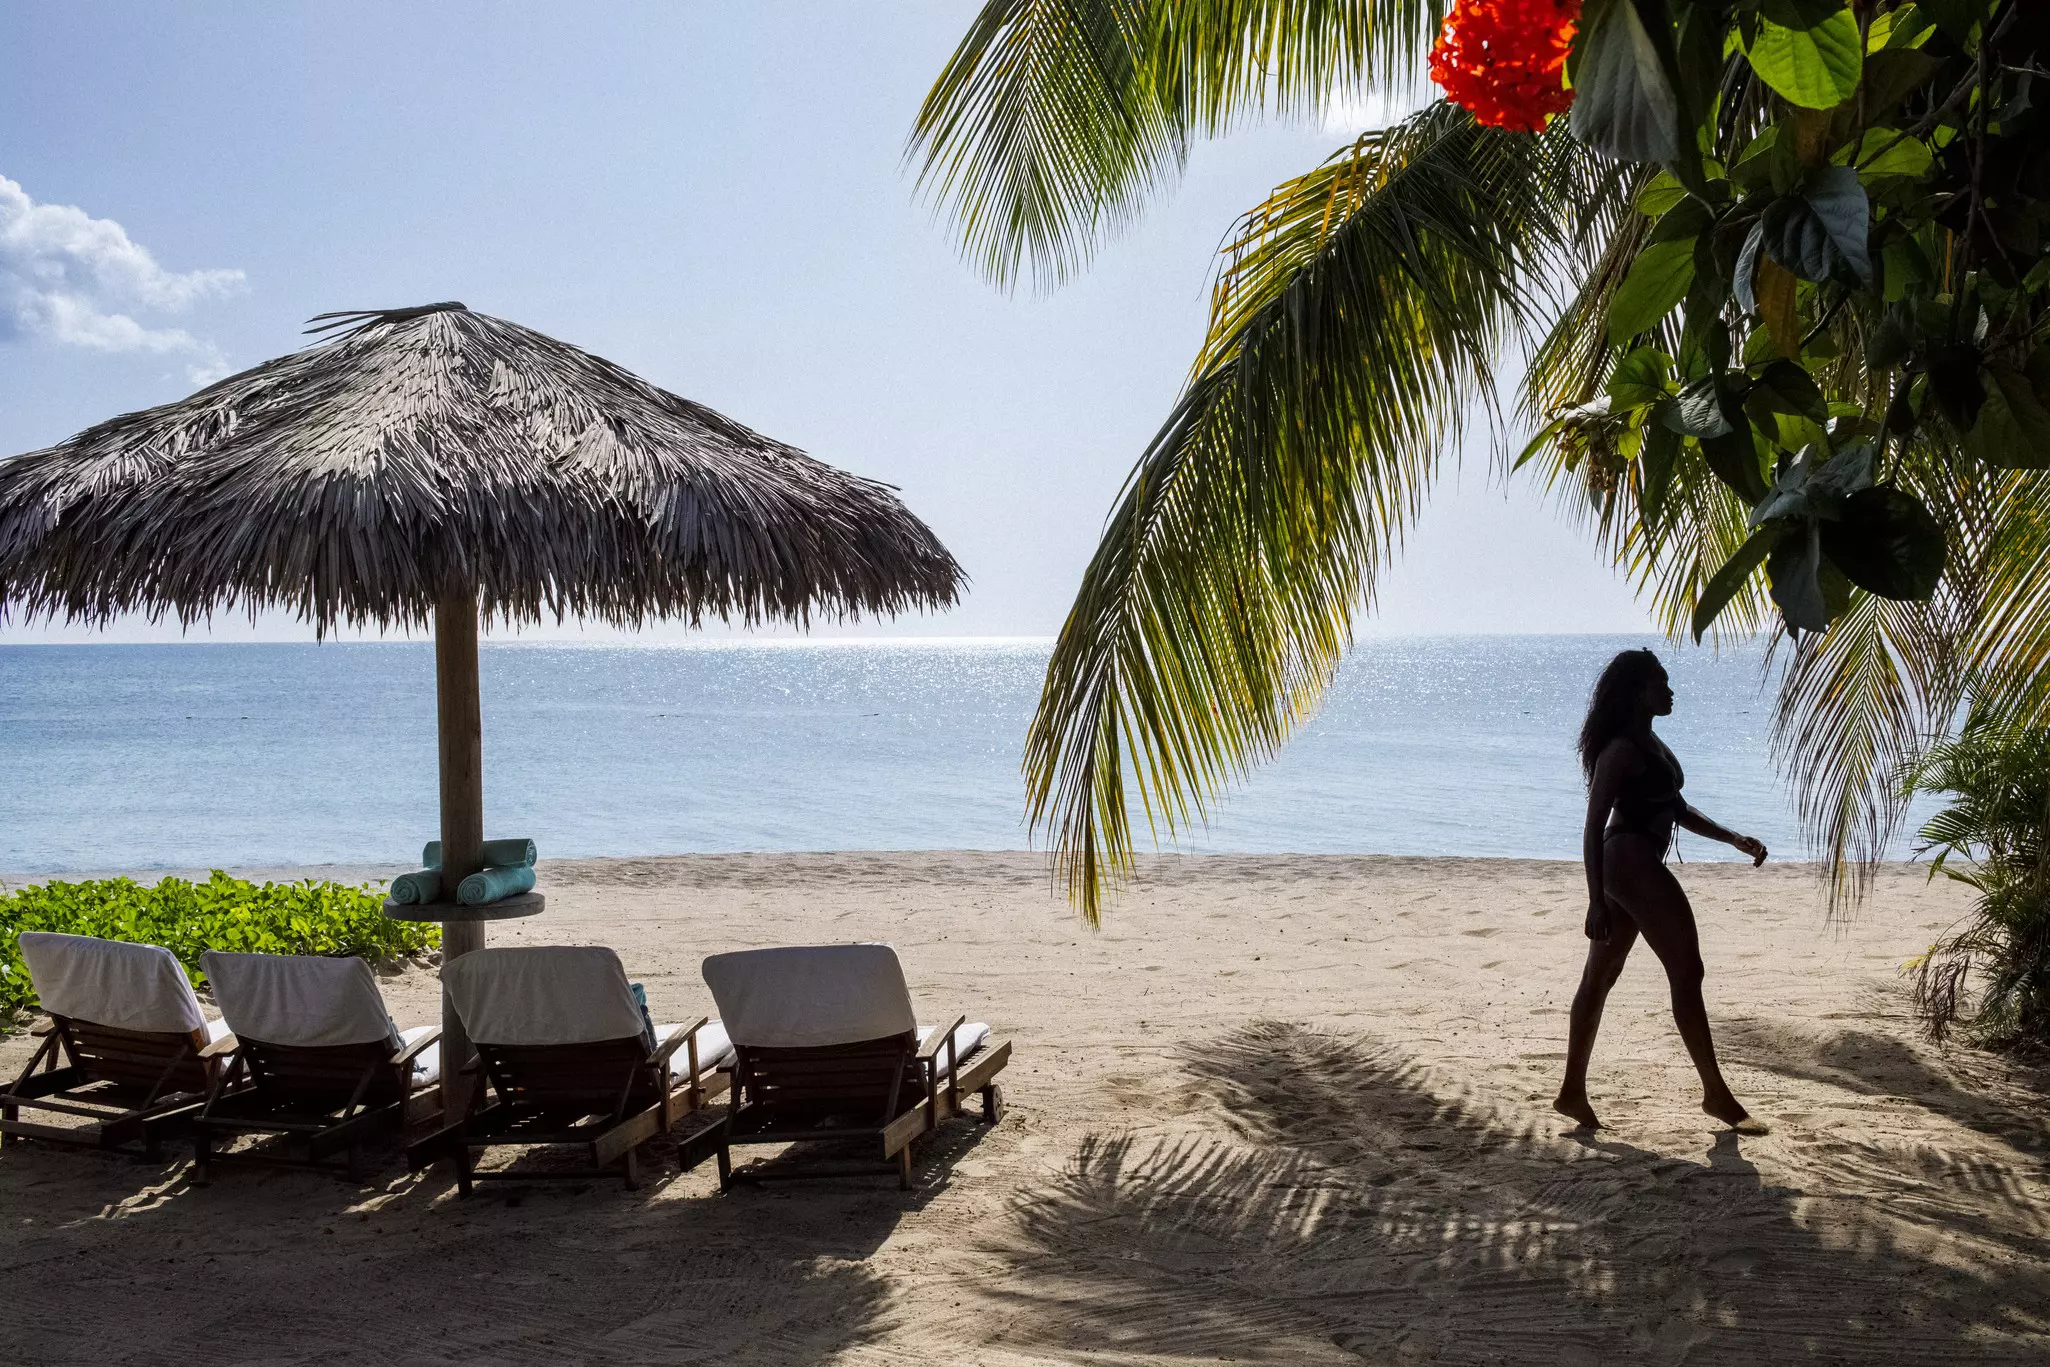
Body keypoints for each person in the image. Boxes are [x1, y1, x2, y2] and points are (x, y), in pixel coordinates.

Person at [1554, 648, 1769, 1133]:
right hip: (1626, 861)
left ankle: (1571, 1092)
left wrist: (1732, 837)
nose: (1670, 692)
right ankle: (1715, 1094)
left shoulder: (1651, 743)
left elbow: (1677, 808)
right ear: (1637, 693)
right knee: (1686, 969)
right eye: (1661, 684)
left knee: (1601, 978)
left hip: (1632, 862)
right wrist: (1594, 899)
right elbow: (1592, 827)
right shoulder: (1621, 751)